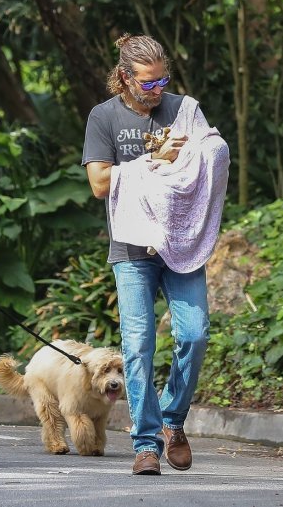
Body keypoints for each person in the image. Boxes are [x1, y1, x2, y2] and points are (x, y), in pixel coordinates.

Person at [82, 34, 222, 476]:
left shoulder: (184, 109)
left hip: (181, 243)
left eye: (163, 79)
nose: (157, 89)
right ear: (124, 78)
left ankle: (172, 421)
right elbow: (100, 184)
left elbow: (210, 155)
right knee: (138, 347)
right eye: (147, 82)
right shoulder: (103, 117)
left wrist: (195, 157)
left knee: (195, 334)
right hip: (131, 247)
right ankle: (145, 444)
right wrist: (151, 159)